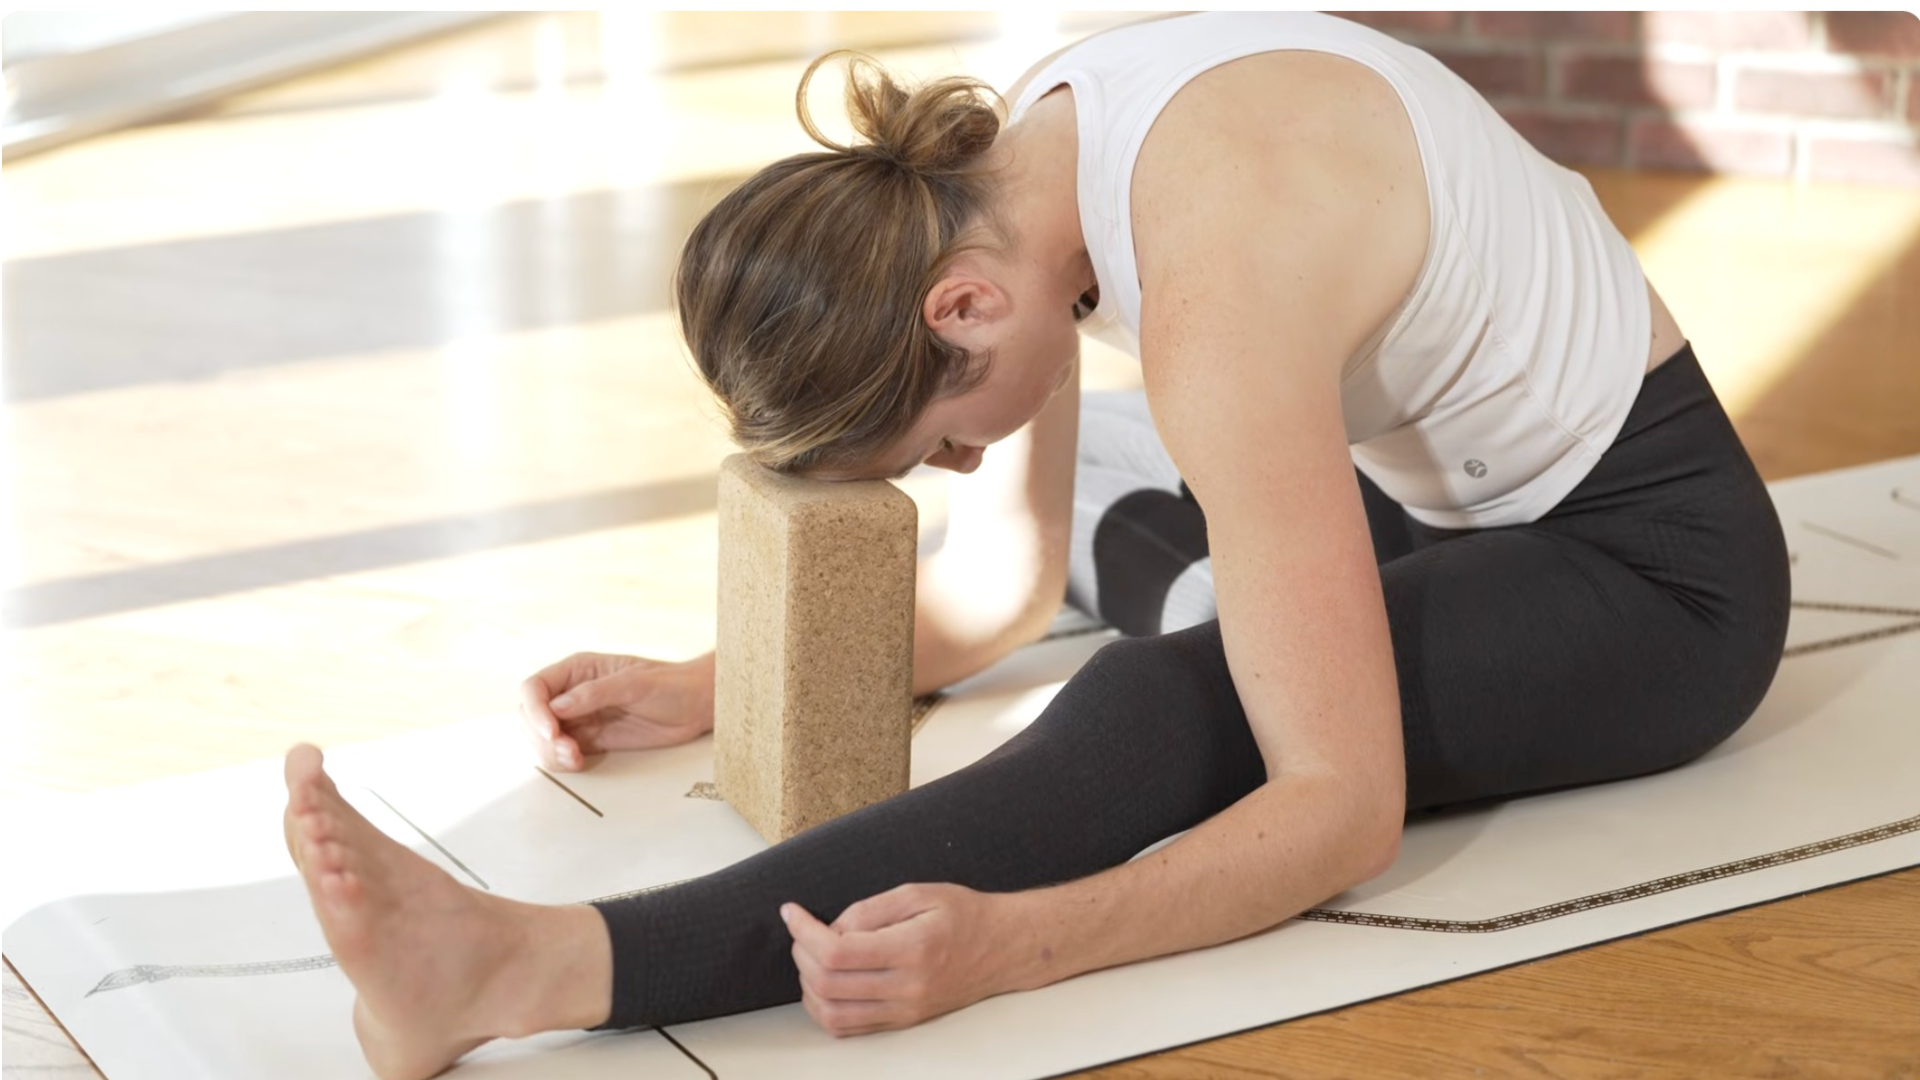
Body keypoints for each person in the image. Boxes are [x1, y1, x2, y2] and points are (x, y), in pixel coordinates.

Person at [280, 12, 1790, 1080]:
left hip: (1655, 568)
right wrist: (721, 680)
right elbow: (998, 589)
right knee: (1138, 512)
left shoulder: (1216, 266)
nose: (965, 458)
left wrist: (1021, 942)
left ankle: (530, 966)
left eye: (940, 441)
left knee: (1167, 703)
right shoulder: (1034, 153)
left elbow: (1344, 812)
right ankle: (1254, 599)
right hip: (1431, 494)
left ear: (957, 309)